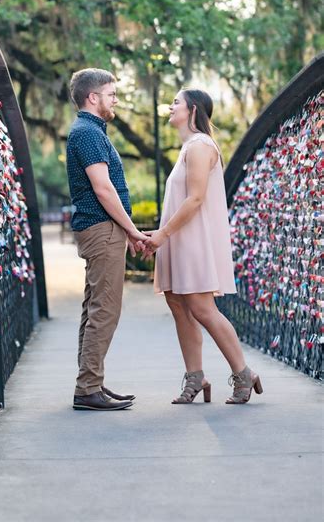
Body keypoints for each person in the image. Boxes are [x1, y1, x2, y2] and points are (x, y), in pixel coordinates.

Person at [143, 89, 263, 404]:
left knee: (202, 308)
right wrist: (160, 234)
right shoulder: (187, 148)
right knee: (179, 307)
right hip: (175, 239)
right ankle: (195, 378)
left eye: (176, 103)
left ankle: (243, 374)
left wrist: (162, 234)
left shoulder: (200, 146)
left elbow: (195, 199)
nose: (170, 107)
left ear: (193, 110)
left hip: (190, 240)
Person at [66, 68, 148, 411]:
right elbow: (103, 188)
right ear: (93, 97)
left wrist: (125, 229)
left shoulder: (91, 131)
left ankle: (91, 383)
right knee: (105, 309)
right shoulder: (86, 133)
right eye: (111, 94)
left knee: (94, 308)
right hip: (102, 229)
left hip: (103, 229)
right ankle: (87, 389)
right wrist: (131, 229)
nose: (115, 100)